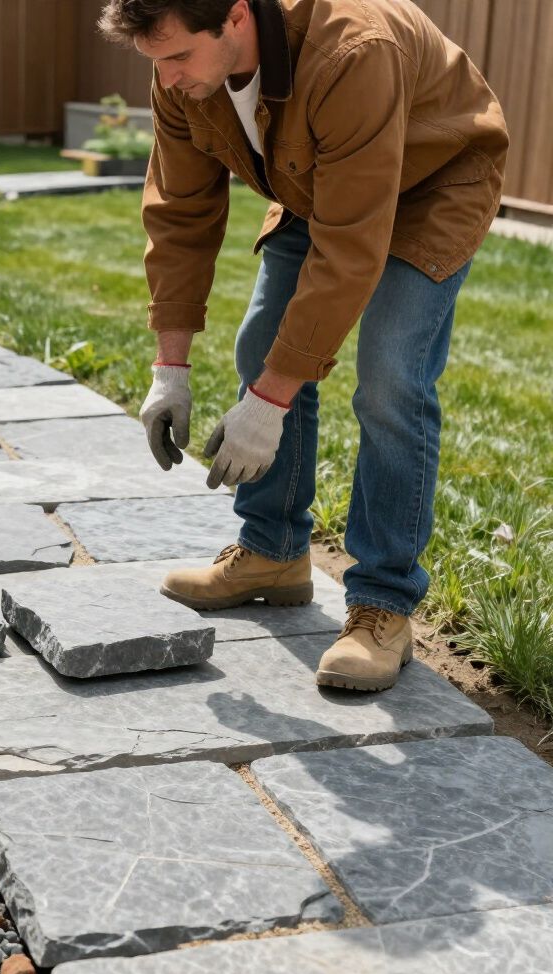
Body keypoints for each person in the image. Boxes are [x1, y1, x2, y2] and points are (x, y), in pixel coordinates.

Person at [98, 0, 509, 692]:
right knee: (264, 343)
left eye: (176, 59)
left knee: (389, 375)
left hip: (433, 182)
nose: (165, 80)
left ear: (234, 19)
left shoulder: (353, 51)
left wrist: (269, 405)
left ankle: (383, 603)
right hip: (323, 180)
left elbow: (350, 250)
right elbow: (179, 215)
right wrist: (169, 369)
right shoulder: (182, 73)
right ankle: (273, 553)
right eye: (154, 62)